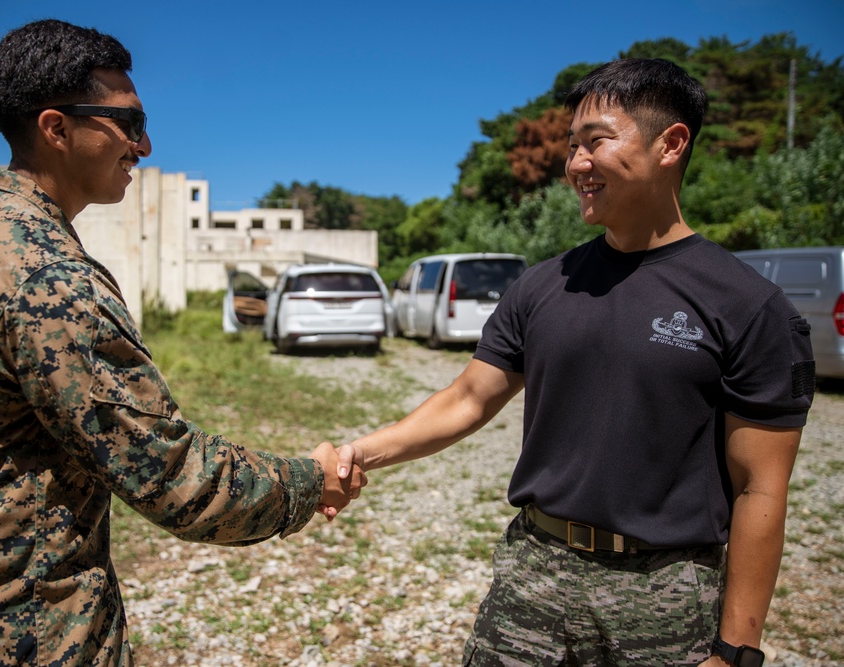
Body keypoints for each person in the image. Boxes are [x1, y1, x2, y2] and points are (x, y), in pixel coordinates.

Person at [0, 19, 363, 666]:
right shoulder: (48, 278)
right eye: (128, 123)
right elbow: (173, 478)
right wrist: (310, 480)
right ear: (56, 129)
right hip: (22, 637)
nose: (145, 144)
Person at [333, 58, 814, 666]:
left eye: (596, 143)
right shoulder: (541, 286)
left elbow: (760, 488)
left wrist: (737, 650)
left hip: (665, 594)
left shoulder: (746, 305)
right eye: (571, 147)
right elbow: (468, 398)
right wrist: (361, 454)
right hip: (533, 575)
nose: (576, 165)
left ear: (671, 144)